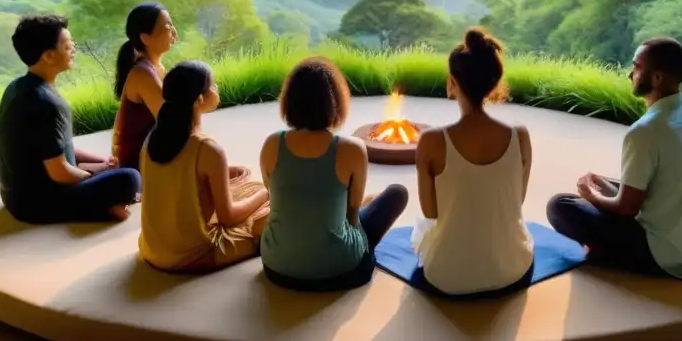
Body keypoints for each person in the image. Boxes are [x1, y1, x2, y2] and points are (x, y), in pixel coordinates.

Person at [547, 38, 682, 279]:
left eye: (637, 67)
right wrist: (606, 188)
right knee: (610, 183)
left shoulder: (644, 131)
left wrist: (591, 196)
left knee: (561, 205)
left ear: (657, 78)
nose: (631, 74)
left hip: (662, 256)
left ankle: (608, 252)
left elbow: (627, 208)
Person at [259, 57, 408, 291]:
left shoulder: (272, 144)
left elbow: (273, 197)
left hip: (277, 267)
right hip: (340, 271)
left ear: (289, 101)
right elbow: (351, 214)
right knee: (397, 193)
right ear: (335, 102)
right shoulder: (352, 148)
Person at [412, 28, 533, 295]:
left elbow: (431, 213)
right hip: (511, 267)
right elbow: (516, 201)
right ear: (494, 81)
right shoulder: (520, 135)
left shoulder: (432, 141)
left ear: (452, 81)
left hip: (447, 275)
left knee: (419, 229)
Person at [0, 14, 141, 224]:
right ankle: (103, 208)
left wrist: (99, 163)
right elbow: (60, 171)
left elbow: (59, 150)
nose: (73, 49)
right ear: (48, 56)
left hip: (14, 197)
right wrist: (93, 178)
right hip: (37, 205)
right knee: (131, 179)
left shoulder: (19, 86)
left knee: (116, 170)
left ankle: (107, 203)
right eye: (67, 45)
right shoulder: (47, 102)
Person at [139, 61, 270, 272]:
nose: (216, 89)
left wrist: (222, 172)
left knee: (244, 185)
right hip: (192, 254)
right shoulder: (206, 148)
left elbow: (176, 176)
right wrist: (266, 193)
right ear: (199, 100)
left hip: (153, 248)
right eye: (213, 85)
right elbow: (228, 218)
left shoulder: (152, 139)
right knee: (273, 207)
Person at [112, 2, 177, 170]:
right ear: (145, 38)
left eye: (172, 23)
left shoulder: (158, 69)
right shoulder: (142, 73)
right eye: (167, 25)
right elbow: (173, 121)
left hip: (155, 157)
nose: (173, 31)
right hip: (140, 166)